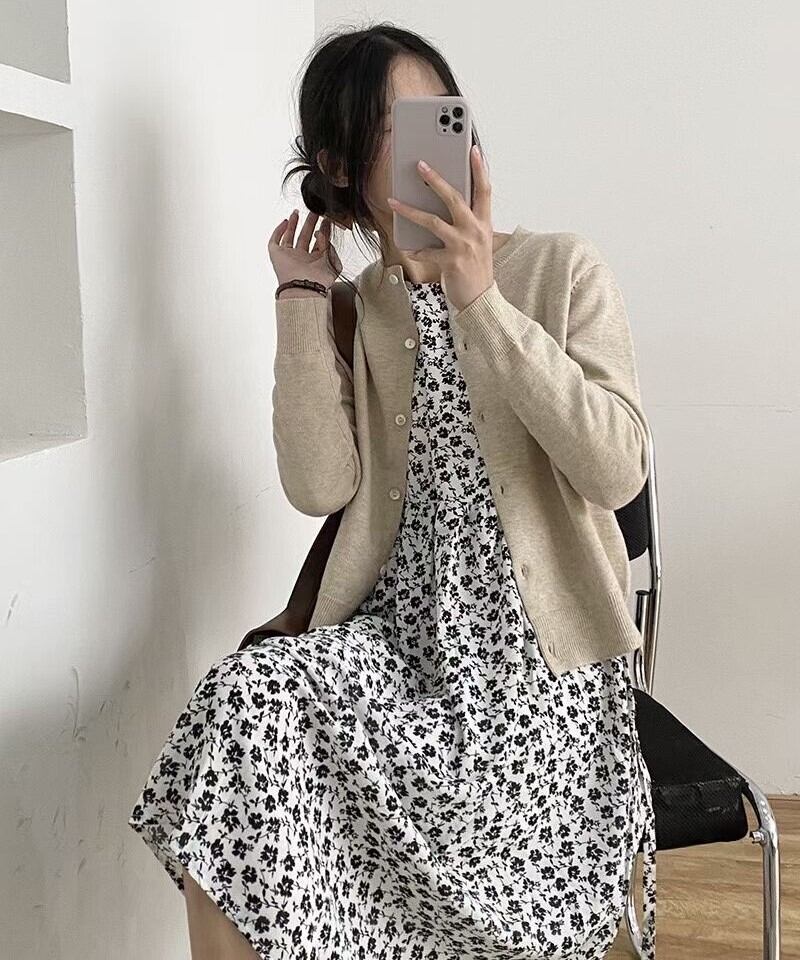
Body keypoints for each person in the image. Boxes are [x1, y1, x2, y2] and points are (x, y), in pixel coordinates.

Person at [129, 22, 657, 960]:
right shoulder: (360, 307)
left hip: (542, 674)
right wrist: (302, 301)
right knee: (243, 704)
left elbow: (617, 469)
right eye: (395, 131)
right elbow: (318, 487)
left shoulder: (560, 268)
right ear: (341, 165)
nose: (431, 151)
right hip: (401, 647)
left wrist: (481, 298)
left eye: (441, 119)